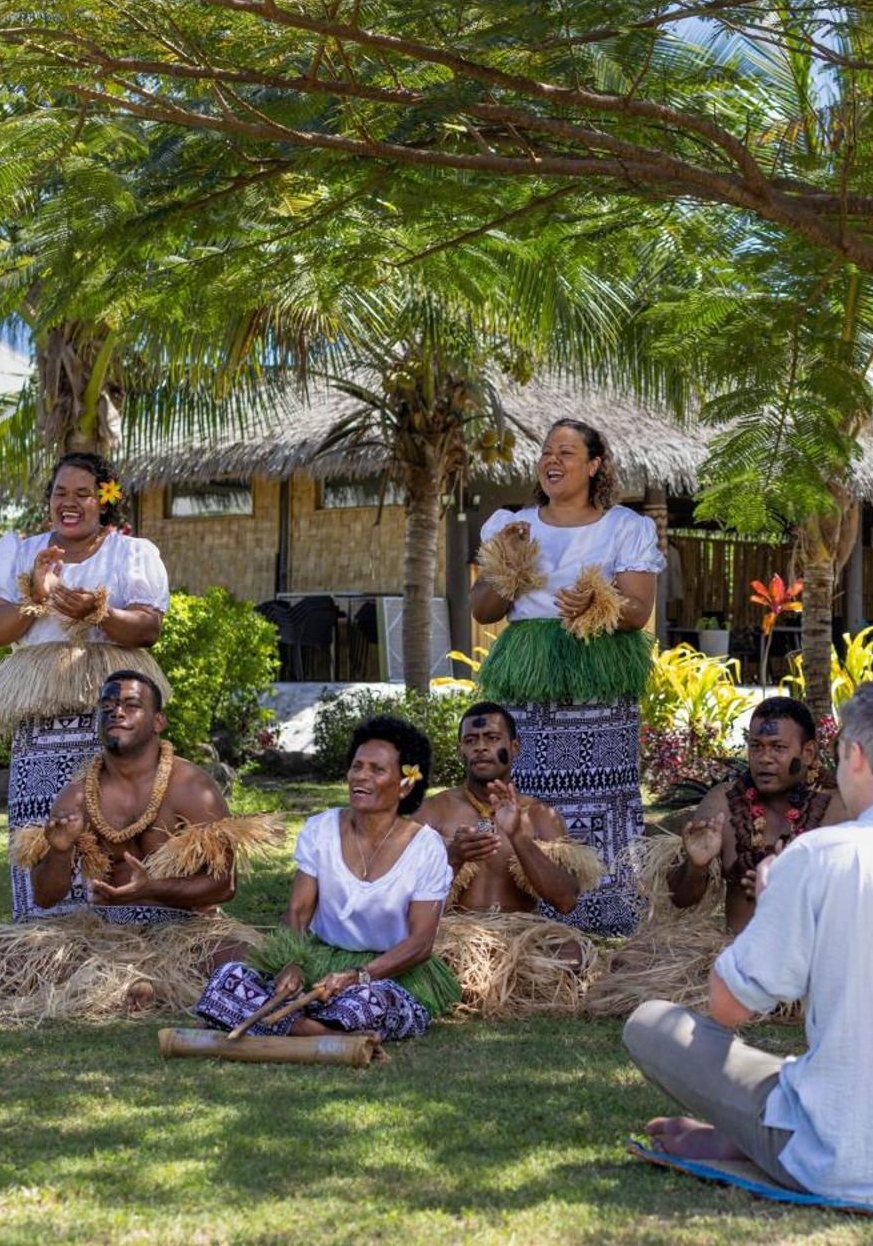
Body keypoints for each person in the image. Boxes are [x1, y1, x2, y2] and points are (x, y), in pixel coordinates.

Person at [623, 682, 873, 1198]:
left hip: (837, 1154)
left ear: (853, 755)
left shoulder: (819, 856)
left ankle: (761, 1134)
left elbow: (727, 1007)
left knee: (650, 1023)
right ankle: (748, 1133)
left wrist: (774, 896)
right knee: (812, 1069)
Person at [469, 418, 664, 937]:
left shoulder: (625, 527)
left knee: (604, 793)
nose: (552, 460)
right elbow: (484, 609)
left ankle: (609, 916)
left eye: (567, 452)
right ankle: (532, 917)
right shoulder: (512, 525)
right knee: (529, 791)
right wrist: (510, 564)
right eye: (546, 451)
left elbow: (638, 611)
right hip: (528, 679)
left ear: (595, 464)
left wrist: (598, 603)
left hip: (597, 676)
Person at [0, 452, 171, 921]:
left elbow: (147, 628)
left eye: (82, 494)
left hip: (109, 712)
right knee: (46, 821)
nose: (69, 503)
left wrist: (98, 613)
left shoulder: (131, 553)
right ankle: (45, 928)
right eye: (60, 493)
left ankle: (123, 925)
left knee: (116, 817)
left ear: (104, 500)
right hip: (42, 720)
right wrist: (37, 598)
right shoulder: (22, 552)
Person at [196, 716, 461, 1041]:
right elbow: (297, 912)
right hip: (319, 961)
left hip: (388, 974)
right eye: (356, 766)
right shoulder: (320, 830)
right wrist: (292, 962)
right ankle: (316, 1029)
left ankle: (296, 1026)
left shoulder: (426, 847)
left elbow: (420, 944)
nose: (361, 776)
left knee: (372, 1002)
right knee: (229, 978)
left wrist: (358, 976)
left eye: (377, 770)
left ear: (406, 784)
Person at [9, 671, 274, 926]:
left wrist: (152, 888)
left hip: (186, 930)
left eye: (131, 705)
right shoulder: (77, 797)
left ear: (158, 722)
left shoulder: (192, 787)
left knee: (241, 964)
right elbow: (44, 898)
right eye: (107, 705)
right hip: (107, 934)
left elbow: (225, 885)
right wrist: (59, 851)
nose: (117, 712)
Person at [665, 697, 846, 934]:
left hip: (815, 961)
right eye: (756, 746)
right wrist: (696, 866)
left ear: (808, 752)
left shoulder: (839, 807)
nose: (764, 758)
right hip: (738, 959)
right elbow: (680, 898)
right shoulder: (723, 804)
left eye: (778, 747)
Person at [419, 701, 603, 916]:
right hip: (452, 937)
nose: (480, 747)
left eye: (492, 738)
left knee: (571, 950)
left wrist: (520, 838)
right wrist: (453, 857)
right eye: (471, 740)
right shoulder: (432, 811)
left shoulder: (539, 815)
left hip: (521, 936)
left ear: (515, 747)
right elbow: (401, 897)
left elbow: (566, 902)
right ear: (461, 749)